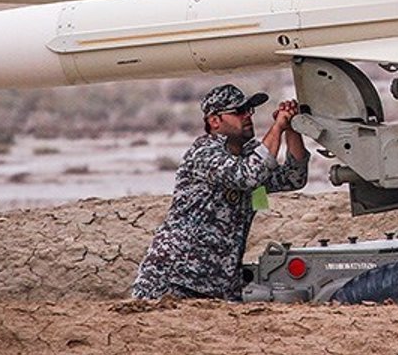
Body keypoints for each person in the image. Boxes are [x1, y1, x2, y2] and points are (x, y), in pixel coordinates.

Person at [132, 83, 309, 301]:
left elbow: (294, 177)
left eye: (249, 110)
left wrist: (291, 128)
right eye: (238, 112)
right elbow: (249, 175)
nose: (247, 116)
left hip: (219, 284)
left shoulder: (248, 154)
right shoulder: (204, 153)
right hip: (175, 279)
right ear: (214, 121)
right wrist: (277, 128)